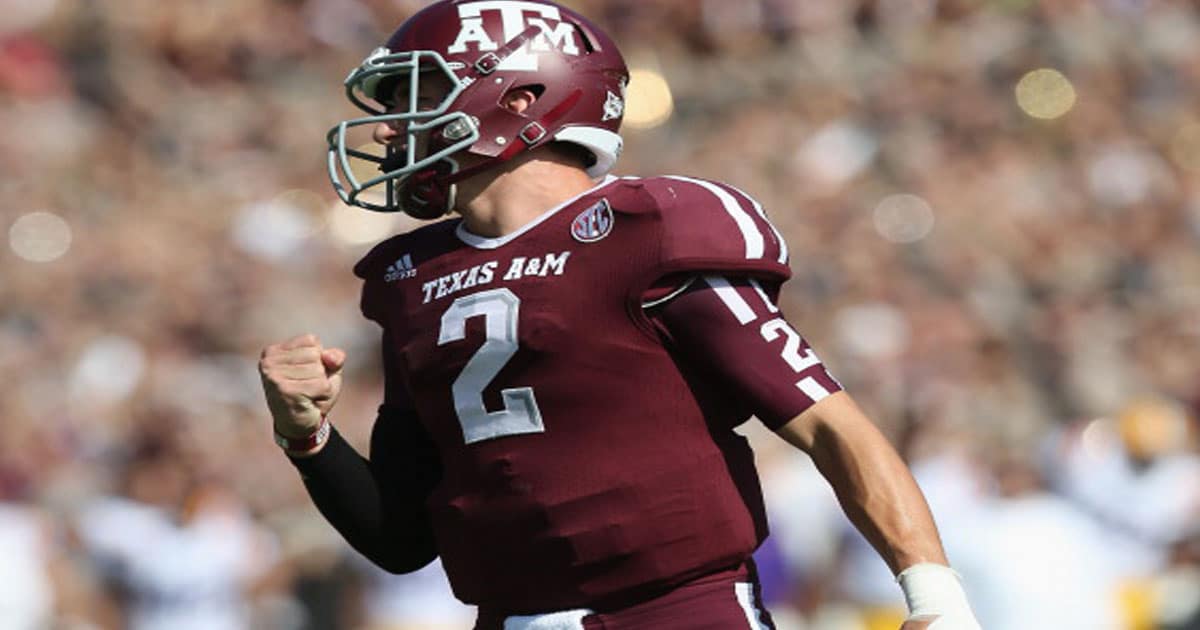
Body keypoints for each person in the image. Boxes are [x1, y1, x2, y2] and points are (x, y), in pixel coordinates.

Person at [258, 1, 982, 628]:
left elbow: (829, 423)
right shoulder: (413, 277)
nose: (390, 132)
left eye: (419, 96)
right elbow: (401, 537)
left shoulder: (645, 229)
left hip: (678, 614)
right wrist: (308, 436)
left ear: (517, 98)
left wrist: (934, 595)